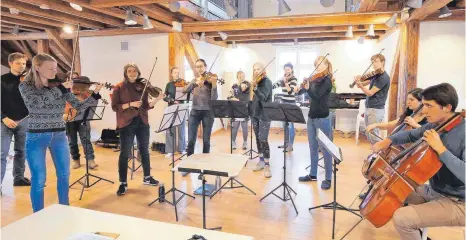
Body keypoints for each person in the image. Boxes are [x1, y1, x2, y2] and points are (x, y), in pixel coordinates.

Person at [372, 83, 464, 240]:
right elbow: (410, 135)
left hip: (459, 202)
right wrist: (387, 140)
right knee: (393, 192)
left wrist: (441, 150)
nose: (424, 110)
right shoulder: (438, 125)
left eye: (429, 105)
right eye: (423, 104)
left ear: (447, 107)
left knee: (402, 218)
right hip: (436, 190)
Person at [19, 53, 103, 212]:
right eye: (50, 68)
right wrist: (60, 88)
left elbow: (79, 107)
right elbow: (36, 104)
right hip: (36, 136)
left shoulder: (59, 87)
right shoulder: (26, 86)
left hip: (58, 135)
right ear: (37, 68)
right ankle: (38, 214)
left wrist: (96, 94)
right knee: (39, 179)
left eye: (55, 68)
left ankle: (65, 209)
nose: (54, 71)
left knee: (64, 175)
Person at [111, 63, 163, 196]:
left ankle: (147, 177)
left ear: (138, 73)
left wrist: (157, 99)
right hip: (126, 123)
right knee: (124, 153)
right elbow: (115, 107)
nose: (132, 73)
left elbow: (145, 106)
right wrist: (130, 104)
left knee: (144, 150)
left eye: (134, 71)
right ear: (125, 73)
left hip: (142, 122)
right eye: (129, 71)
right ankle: (123, 182)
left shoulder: (143, 87)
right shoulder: (119, 87)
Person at [297, 56, 334, 190]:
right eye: (316, 64)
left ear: (326, 65)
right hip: (311, 117)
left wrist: (307, 88)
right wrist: (300, 89)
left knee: (325, 149)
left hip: (322, 117)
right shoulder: (315, 79)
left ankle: (328, 178)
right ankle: (313, 174)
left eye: (320, 64)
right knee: (312, 147)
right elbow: (307, 93)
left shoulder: (327, 80)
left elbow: (316, 96)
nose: (317, 67)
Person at [1, 52, 31, 187]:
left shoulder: (29, 81)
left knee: (21, 151)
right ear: (10, 63)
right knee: (2, 153)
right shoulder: (2, 80)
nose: (21, 66)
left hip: (24, 120)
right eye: (18, 63)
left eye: (24, 64)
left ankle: (18, 178)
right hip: (4, 122)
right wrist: (3, 118)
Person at [183, 59, 218, 157]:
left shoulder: (210, 81)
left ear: (205, 67)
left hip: (208, 112)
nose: (199, 68)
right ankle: (189, 162)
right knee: (191, 140)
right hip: (195, 112)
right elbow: (184, 90)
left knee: (206, 140)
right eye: (197, 67)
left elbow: (215, 98)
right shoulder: (194, 80)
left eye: (201, 66)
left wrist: (214, 85)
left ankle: (205, 163)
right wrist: (194, 83)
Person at [63, 71, 98, 170]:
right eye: (72, 80)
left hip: (83, 119)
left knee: (86, 139)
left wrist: (94, 92)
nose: (75, 84)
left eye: (77, 80)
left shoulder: (85, 92)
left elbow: (92, 101)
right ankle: (75, 159)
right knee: (72, 141)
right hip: (69, 119)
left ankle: (90, 159)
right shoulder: (64, 91)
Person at [354, 54, 390, 145]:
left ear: (383, 62)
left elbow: (370, 92)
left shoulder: (384, 77)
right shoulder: (375, 74)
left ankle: (380, 154)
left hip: (376, 109)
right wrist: (357, 80)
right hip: (369, 107)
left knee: (373, 134)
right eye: (372, 62)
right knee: (369, 133)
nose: (373, 64)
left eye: (376, 61)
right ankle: (375, 155)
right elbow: (362, 84)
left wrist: (361, 85)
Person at [250, 62, 273, 178]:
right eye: (254, 69)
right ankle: (261, 160)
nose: (256, 71)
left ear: (263, 69)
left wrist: (255, 89)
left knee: (263, 139)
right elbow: (254, 100)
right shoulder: (256, 82)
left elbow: (263, 98)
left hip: (265, 114)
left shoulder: (267, 82)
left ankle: (267, 164)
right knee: (258, 139)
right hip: (255, 114)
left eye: (258, 69)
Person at [273, 63, 298, 152]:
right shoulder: (283, 79)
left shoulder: (294, 79)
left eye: (288, 69)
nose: (286, 71)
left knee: (290, 126)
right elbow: (274, 86)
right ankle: (286, 143)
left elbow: (290, 91)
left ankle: (290, 145)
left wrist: (286, 82)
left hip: (291, 104)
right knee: (285, 125)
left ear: (291, 70)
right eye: (285, 69)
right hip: (283, 103)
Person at [163, 67, 187, 158]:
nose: (177, 74)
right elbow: (165, 97)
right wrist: (172, 100)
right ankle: (170, 150)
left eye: (178, 72)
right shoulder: (169, 84)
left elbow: (187, 95)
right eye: (175, 73)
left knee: (182, 128)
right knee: (170, 129)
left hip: (181, 107)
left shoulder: (183, 83)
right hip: (172, 107)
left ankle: (182, 149)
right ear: (172, 74)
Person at [228, 71, 250, 150]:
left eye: (243, 76)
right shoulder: (234, 86)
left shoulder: (247, 84)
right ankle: (233, 142)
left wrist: (236, 99)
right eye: (240, 77)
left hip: (244, 109)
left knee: (245, 128)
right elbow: (230, 97)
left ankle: (245, 142)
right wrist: (232, 97)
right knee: (235, 127)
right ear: (237, 77)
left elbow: (245, 98)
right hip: (236, 109)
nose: (242, 78)